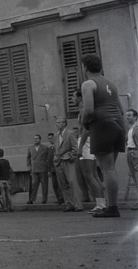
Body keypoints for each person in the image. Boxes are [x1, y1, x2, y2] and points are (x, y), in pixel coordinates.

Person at [81, 54, 126, 218]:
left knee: (106, 168)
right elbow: (121, 110)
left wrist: (84, 122)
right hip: (117, 124)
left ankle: (112, 207)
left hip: (102, 125)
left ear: (85, 67)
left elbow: (88, 110)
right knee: (110, 168)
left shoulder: (88, 84)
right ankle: (111, 205)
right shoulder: (111, 84)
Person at [53, 116, 83, 212]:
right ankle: (69, 204)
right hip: (58, 162)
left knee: (72, 182)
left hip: (68, 161)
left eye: (59, 122)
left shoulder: (70, 133)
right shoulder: (56, 136)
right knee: (63, 183)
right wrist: (56, 158)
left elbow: (75, 148)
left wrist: (70, 156)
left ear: (64, 123)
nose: (57, 124)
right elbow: (56, 149)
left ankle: (78, 205)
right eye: (56, 122)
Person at [26, 134, 50, 204]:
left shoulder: (45, 148)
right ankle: (32, 199)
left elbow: (48, 158)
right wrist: (29, 166)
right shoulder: (30, 148)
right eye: (34, 138)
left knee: (44, 185)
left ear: (40, 139)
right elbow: (28, 157)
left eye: (37, 138)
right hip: (34, 169)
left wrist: (48, 168)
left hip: (43, 168)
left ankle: (44, 199)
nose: (35, 140)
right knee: (34, 185)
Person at [125, 109, 138, 210]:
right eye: (126, 116)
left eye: (129, 115)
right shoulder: (130, 128)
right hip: (130, 151)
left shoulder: (136, 128)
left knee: (137, 177)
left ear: (135, 117)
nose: (127, 117)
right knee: (134, 177)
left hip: (135, 152)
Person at [47, 132, 64, 204]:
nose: (50, 140)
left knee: (60, 184)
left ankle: (62, 198)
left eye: (51, 138)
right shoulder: (50, 148)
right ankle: (58, 198)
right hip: (52, 169)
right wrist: (49, 170)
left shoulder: (58, 147)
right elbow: (49, 160)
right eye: (49, 139)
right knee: (54, 185)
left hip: (58, 168)